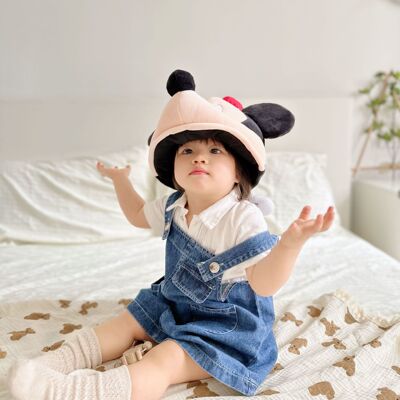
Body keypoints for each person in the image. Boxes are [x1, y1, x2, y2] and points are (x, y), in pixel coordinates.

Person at [7, 70, 335, 400]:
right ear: (174, 169)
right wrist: (121, 181)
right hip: (175, 304)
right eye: (187, 151)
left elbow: (263, 284)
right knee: (124, 323)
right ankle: (52, 364)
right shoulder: (174, 205)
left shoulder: (242, 217)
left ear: (239, 172)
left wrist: (290, 245)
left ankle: (74, 392)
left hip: (226, 329)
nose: (199, 157)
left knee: (165, 359)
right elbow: (137, 215)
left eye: (215, 151)